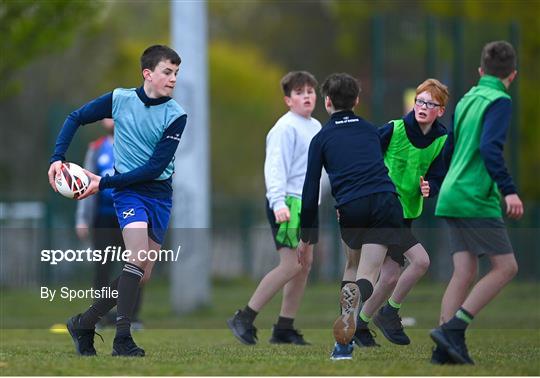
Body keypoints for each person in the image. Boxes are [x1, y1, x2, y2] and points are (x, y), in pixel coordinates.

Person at [48, 45, 187, 357]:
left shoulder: (176, 115)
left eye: (176, 73)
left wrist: (102, 182)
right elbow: (75, 117)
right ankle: (122, 339)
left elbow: (153, 168)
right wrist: (57, 157)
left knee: (142, 273)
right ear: (147, 73)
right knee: (136, 257)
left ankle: (84, 322)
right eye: (167, 71)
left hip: (159, 195)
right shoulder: (120, 99)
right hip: (129, 192)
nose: (173, 78)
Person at [297, 73, 403, 360]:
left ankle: (343, 344)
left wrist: (307, 236)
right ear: (356, 100)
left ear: (327, 102)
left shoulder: (321, 138)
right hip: (384, 199)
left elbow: (309, 191)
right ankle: (352, 320)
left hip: (352, 205)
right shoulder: (371, 130)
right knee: (369, 273)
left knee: (352, 265)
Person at [430, 40, 524, 365]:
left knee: (465, 270)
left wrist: (437, 183)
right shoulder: (500, 100)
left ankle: (444, 348)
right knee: (506, 266)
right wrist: (508, 189)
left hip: (451, 194)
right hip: (474, 197)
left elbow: (448, 148)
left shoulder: (468, 98)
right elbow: (489, 148)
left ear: (480, 71)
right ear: (511, 75)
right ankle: (454, 329)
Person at [350, 79, 449, 348]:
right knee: (421, 261)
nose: (422, 106)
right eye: (420, 101)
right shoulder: (393, 129)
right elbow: (366, 160)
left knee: (391, 276)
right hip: (383, 210)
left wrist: (432, 186)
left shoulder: (441, 140)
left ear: (440, 110)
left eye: (430, 103)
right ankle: (389, 313)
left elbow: (439, 174)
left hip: (406, 214)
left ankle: (360, 325)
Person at [227, 71, 321, 346]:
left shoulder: (316, 127)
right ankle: (244, 318)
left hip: (308, 205)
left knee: (304, 265)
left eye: (310, 91)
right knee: (291, 264)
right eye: (300, 92)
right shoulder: (285, 127)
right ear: (288, 100)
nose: (306, 96)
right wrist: (278, 202)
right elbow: (275, 167)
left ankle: (284, 328)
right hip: (288, 203)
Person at [75, 118, 143, 330]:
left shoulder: (135, 146)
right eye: (106, 115)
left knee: (135, 265)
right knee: (102, 268)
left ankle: (130, 317)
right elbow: (83, 183)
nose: (110, 119)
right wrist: (82, 219)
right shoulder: (96, 148)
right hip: (102, 219)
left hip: (130, 217)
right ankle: (99, 317)